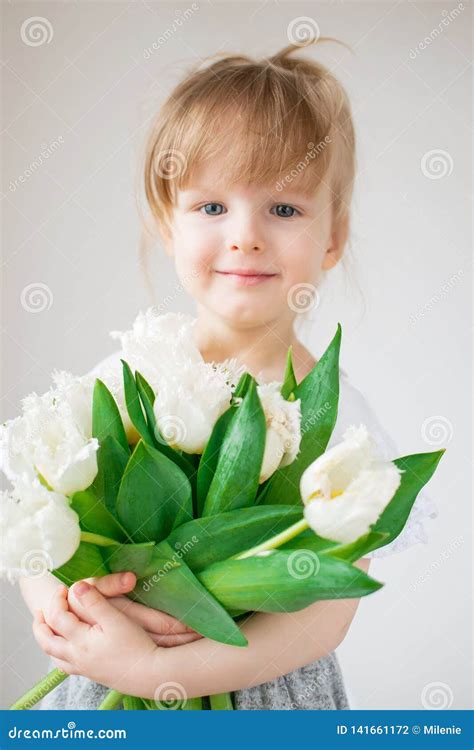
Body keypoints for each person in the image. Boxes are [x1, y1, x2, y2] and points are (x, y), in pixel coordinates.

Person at [19, 36, 437, 710]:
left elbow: (322, 616)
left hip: (258, 699)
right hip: (104, 679)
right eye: (212, 207)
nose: (245, 235)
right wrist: (63, 610)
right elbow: (33, 520)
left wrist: (159, 674)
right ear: (168, 224)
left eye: (284, 209)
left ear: (332, 238)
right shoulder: (130, 373)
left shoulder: (339, 428)